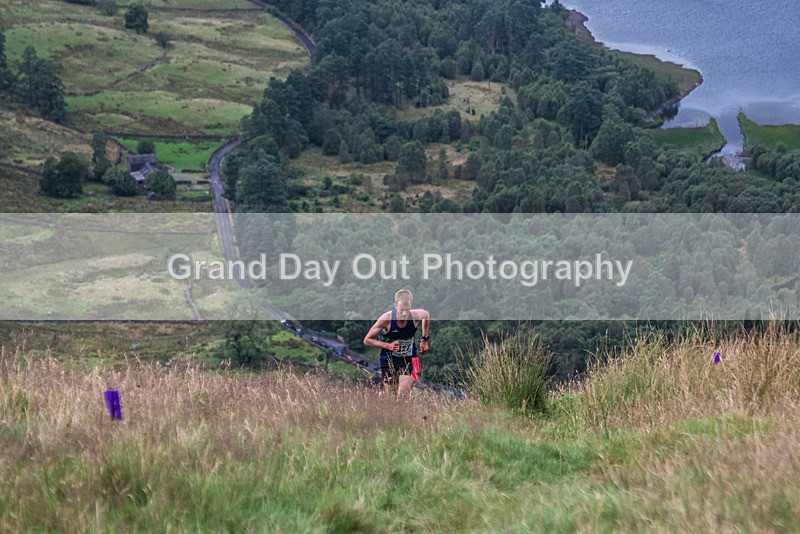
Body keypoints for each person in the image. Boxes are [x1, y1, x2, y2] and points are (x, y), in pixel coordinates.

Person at [363, 289, 430, 396]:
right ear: (395, 306)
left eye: (407, 310)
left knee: (403, 395)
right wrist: (387, 345)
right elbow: (367, 340)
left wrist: (424, 339)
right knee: (392, 398)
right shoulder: (386, 319)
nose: (404, 313)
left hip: (408, 359)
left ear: (411, 306)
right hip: (388, 361)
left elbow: (426, 315)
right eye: (401, 310)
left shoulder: (415, 316)